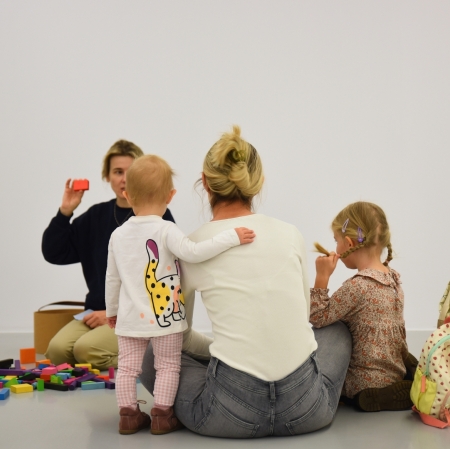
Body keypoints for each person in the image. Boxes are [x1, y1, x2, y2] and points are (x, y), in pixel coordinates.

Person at [139, 126, 352, 438]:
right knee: (336, 331)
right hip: (306, 409)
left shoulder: (191, 245)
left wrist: (223, 349)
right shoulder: (291, 234)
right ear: (258, 182)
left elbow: (178, 336)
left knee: (153, 352)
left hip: (227, 413)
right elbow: (302, 318)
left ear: (205, 181)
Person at [105, 154, 255, 435]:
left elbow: (112, 279)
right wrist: (231, 237)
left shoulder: (118, 235)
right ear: (171, 195)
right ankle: (162, 415)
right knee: (168, 367)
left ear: (126, 193)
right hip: (167, 318)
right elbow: (194, 253)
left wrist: (111, 311)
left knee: (126, 369)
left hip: (130, 318)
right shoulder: (166, 229)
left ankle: (128, 416)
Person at [42, 140, 175, 370]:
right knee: (57, 351)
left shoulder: (158, 217)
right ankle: (109, 357)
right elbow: (54, 252)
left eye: (131, 172)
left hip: (136, 315)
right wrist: (65, 212)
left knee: (86, 350)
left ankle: (151, 363)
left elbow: (163, 276)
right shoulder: (96, 216)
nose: (124, 178)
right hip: (94, 312)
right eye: (117, 172)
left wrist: (113, 313)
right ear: (108, 177)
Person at [310, 201, 416, 412]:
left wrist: (322, 276)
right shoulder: (393, 279)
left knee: (332, 330)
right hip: (393, 372)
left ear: (349, 244)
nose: (335, 248)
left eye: (336, 241)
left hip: (362, 382)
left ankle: (367, 396)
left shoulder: (357, 287)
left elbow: (318, 317)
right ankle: (408, 376)